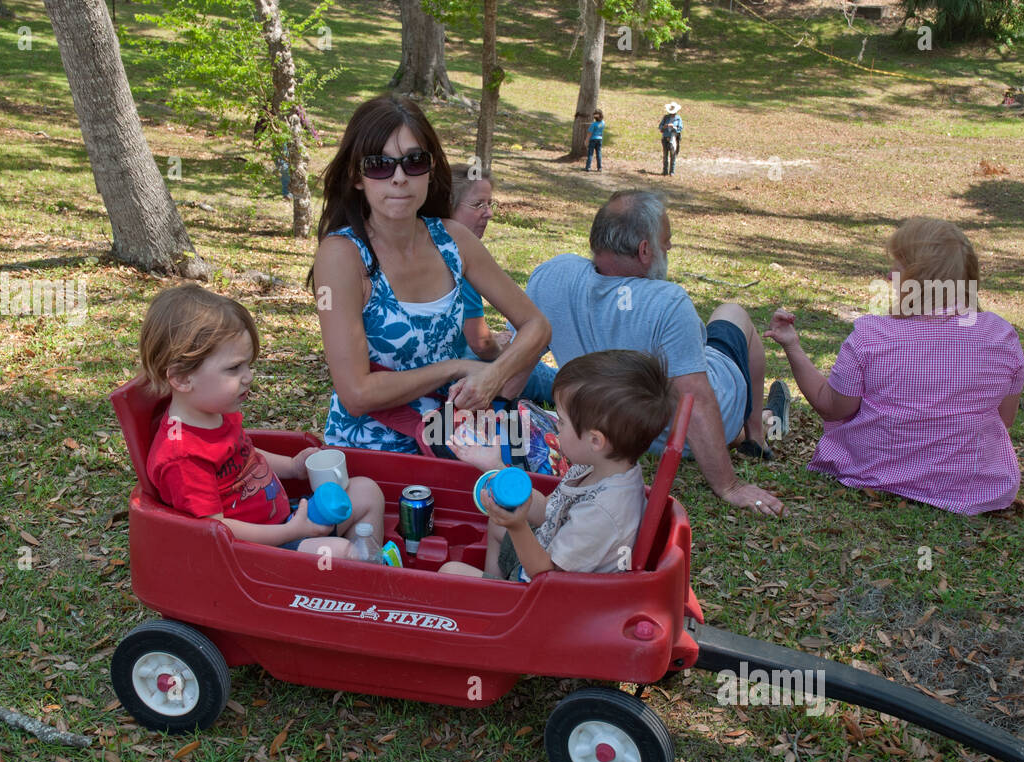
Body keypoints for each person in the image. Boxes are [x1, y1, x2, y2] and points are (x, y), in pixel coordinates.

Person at [526, 189, 791, 517]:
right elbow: (694, 401)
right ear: (645, 250)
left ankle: (758, 423)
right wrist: (729, 486)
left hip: (631, 436)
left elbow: (520, 357)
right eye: (666, 240)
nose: (669, 247)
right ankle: (757, 434)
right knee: (733, 313)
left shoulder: (551, 276)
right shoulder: (667, 301)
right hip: (703, 421)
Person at [309, 95, 550, 454]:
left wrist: (494, 376)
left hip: (456, 434)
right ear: (356, 177)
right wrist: (456, 368)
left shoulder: (454, 240)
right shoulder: (342, 257)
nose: (399, 178)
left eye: (414, 161)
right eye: (379, 165)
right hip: (376, 447)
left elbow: (537, 325)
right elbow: (356, 394)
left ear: (430, 168)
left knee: (558, 476)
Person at [764, 218, 1024, 515]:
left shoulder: (873, 335)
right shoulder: (1001, 336)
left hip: (875, 476)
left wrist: (792, 346)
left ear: (918, 278)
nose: (889, 277)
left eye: (898, 268)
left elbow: (831, 406)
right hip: (973, 490)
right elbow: (1005, 419)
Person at [140, 283, 386, 554]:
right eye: (234, 368)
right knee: (339, 552)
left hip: (287, 520)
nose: (248, 376)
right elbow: (216, 530)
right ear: (182, 378)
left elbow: (247, 455)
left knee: (366, 491)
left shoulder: (217, 414)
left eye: (248, 364)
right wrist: (291, 532)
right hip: (257, 553)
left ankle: (369, 562)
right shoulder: (181, 456)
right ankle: (363, 580)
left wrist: (292, 467)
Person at [439, 350, 675, 580]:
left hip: (551, 595)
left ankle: (503, 600)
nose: (555, 425)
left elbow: (546, 575)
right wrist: (496, 466)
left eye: (561, 421)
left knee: (449, 573)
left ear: (595, 440)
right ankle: (499, 586)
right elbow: (547, 512)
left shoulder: (603, 512)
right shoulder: (597, 467)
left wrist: (518, 526)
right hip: (544, 555)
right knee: (498, 524)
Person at [450, 163, 557, 405]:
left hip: (458, 361)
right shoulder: (457, 255)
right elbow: (480, 344)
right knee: (559, 381)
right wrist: (504, 350)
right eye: (478, 205)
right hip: (464, 372)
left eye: (490, 204)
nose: (488, 213)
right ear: (449, 206)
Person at [658, 103, 682, 176]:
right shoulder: (665, 117)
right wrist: (664, 127)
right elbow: (660, 127)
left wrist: (674, 127)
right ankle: (665, 171)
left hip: (673, 139)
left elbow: (680, 128)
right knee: (665, 155)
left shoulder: (678, 118)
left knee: (673, 155)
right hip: (665, 137)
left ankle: (672, 171)